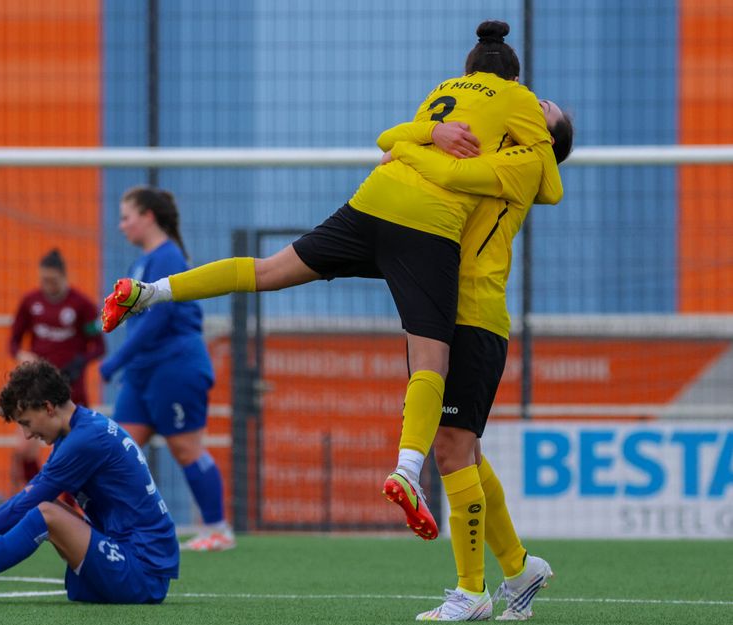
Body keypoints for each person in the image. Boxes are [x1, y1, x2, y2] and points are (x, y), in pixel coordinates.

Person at [102, 21, 562, 544]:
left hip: (372, 200)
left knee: (268, 270)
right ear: (518, 79)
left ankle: (150, 292)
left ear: (467, 68)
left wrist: (426, 136)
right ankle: (408, 472)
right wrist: (543, 128)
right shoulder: (521, 104)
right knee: (432, 363)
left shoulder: (443, 93)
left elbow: (389, 141)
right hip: (429, 229)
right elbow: (550, 182)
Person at [381, 102, 573, 621]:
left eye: (543, 110)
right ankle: (519, 566)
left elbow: (442, 169)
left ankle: (472, 591)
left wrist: (403, 147)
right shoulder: (493, 147)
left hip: (473, 314)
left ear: (543, 139)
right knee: (461, 449)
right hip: (442, 307)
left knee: (451, 449)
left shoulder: (520, 164)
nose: (531, 105)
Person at [0, 360, 179, 604]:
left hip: (141, 573)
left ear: (48, 407)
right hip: (129, 559)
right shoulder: (79, 431)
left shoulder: (86, 440)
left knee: (44, 513)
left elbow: (24, 505)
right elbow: (26, 503)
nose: (27, 435)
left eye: (27, 422)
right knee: (45, 508)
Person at [100, 186, 233, 552]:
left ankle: (218, 529)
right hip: (143, 372)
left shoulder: (168, 258)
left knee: (187, 449)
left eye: (126, 217)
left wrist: (113, 363)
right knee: (119, 450)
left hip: (175, 368)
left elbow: (158, 323)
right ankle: (121, 529)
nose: (121, 225)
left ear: (148, 217)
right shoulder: (141, 263)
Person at [8, 248, 105, 490]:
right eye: (43, 280)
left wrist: (79, 363)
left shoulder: (81, 305)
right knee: (23, 448)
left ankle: (68, 507)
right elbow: (13, 342)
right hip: (36, 388)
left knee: (73, 453)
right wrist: (23, 355)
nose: (47, 285)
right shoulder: (31, 303)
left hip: (71, 390)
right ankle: (40, 499)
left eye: (52, 280)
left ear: (64, 277)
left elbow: (100, 347)